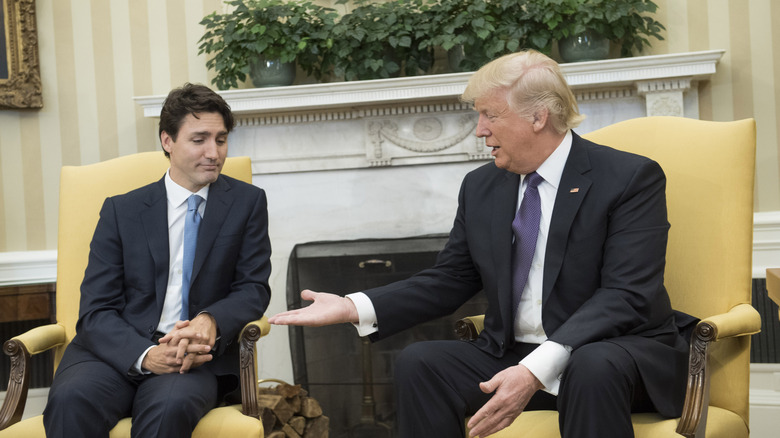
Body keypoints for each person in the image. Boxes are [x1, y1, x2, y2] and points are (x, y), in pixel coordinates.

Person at [270, 50, 696, 438]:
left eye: (490, 115)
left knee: (591, 365)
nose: (479, 130)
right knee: (422, 363)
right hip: (511, 352)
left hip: (613, 355)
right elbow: (452, 277)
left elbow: (626, 295)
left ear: (538, 117)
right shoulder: (482, 186)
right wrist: (353, 306)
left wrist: (533, 370)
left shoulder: (628, 178)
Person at [43, 83, 272, 437]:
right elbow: (95, 309)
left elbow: (253, 288)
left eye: (221, 139)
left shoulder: (247, 203)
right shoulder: (122, 210)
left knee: (169, 408)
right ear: (168, 141)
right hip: (114, 353)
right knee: (71, 399)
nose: (214, 152)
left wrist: (210, 321)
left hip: (193, 358)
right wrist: (145, 354)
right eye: (199, 140)